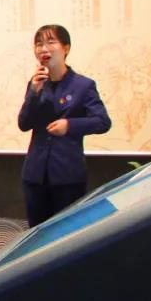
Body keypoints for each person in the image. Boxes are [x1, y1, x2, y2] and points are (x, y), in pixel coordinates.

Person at [18, 23, 112, 227]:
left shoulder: (83, 85)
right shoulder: (36, 84)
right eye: (39, 44)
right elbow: (24, 124)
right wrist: (33, 92)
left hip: (67, 176)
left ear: (66, 48)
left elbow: (103, 122)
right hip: (35, 175)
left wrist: (69, 125)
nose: (44, 49)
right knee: (36, 234)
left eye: (51, 42)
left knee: (66, 233)